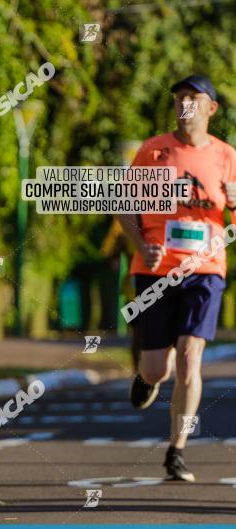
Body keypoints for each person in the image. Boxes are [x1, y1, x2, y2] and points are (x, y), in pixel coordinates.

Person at [117, 75, 236, 482]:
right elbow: (125, 207)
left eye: (193, 98)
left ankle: (176, 450)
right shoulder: (154, 151)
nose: (185, 104)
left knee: (190, 356)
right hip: (155, 270)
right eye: (179, 98)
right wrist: (140, 242)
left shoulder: (226, 157)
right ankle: (146, 376)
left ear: (211, 108)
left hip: (205, 270)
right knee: (157, 369)